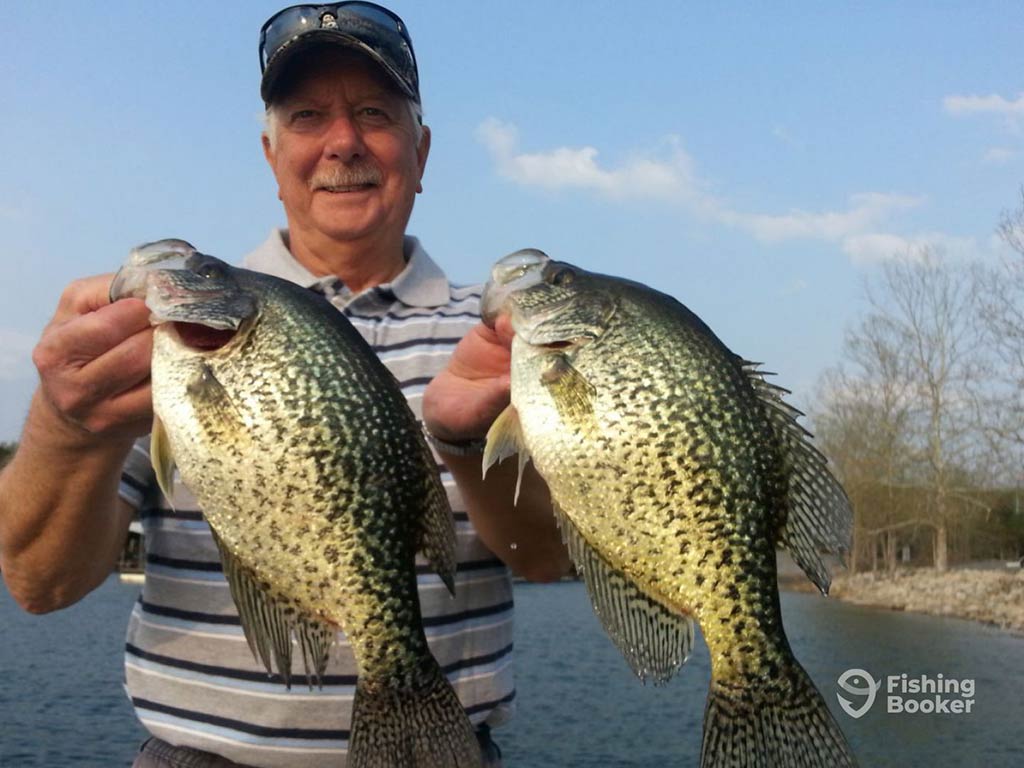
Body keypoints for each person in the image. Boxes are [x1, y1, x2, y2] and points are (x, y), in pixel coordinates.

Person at [0, 3, 570, 767]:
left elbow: (546, 561)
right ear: (272, 156)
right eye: (308, 116)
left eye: (374, 112)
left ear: (422, 151)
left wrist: (466, 444)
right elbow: (40, 584)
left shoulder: (505, 339)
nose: (343, 142)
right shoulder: (155, 346)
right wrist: (67, 431)